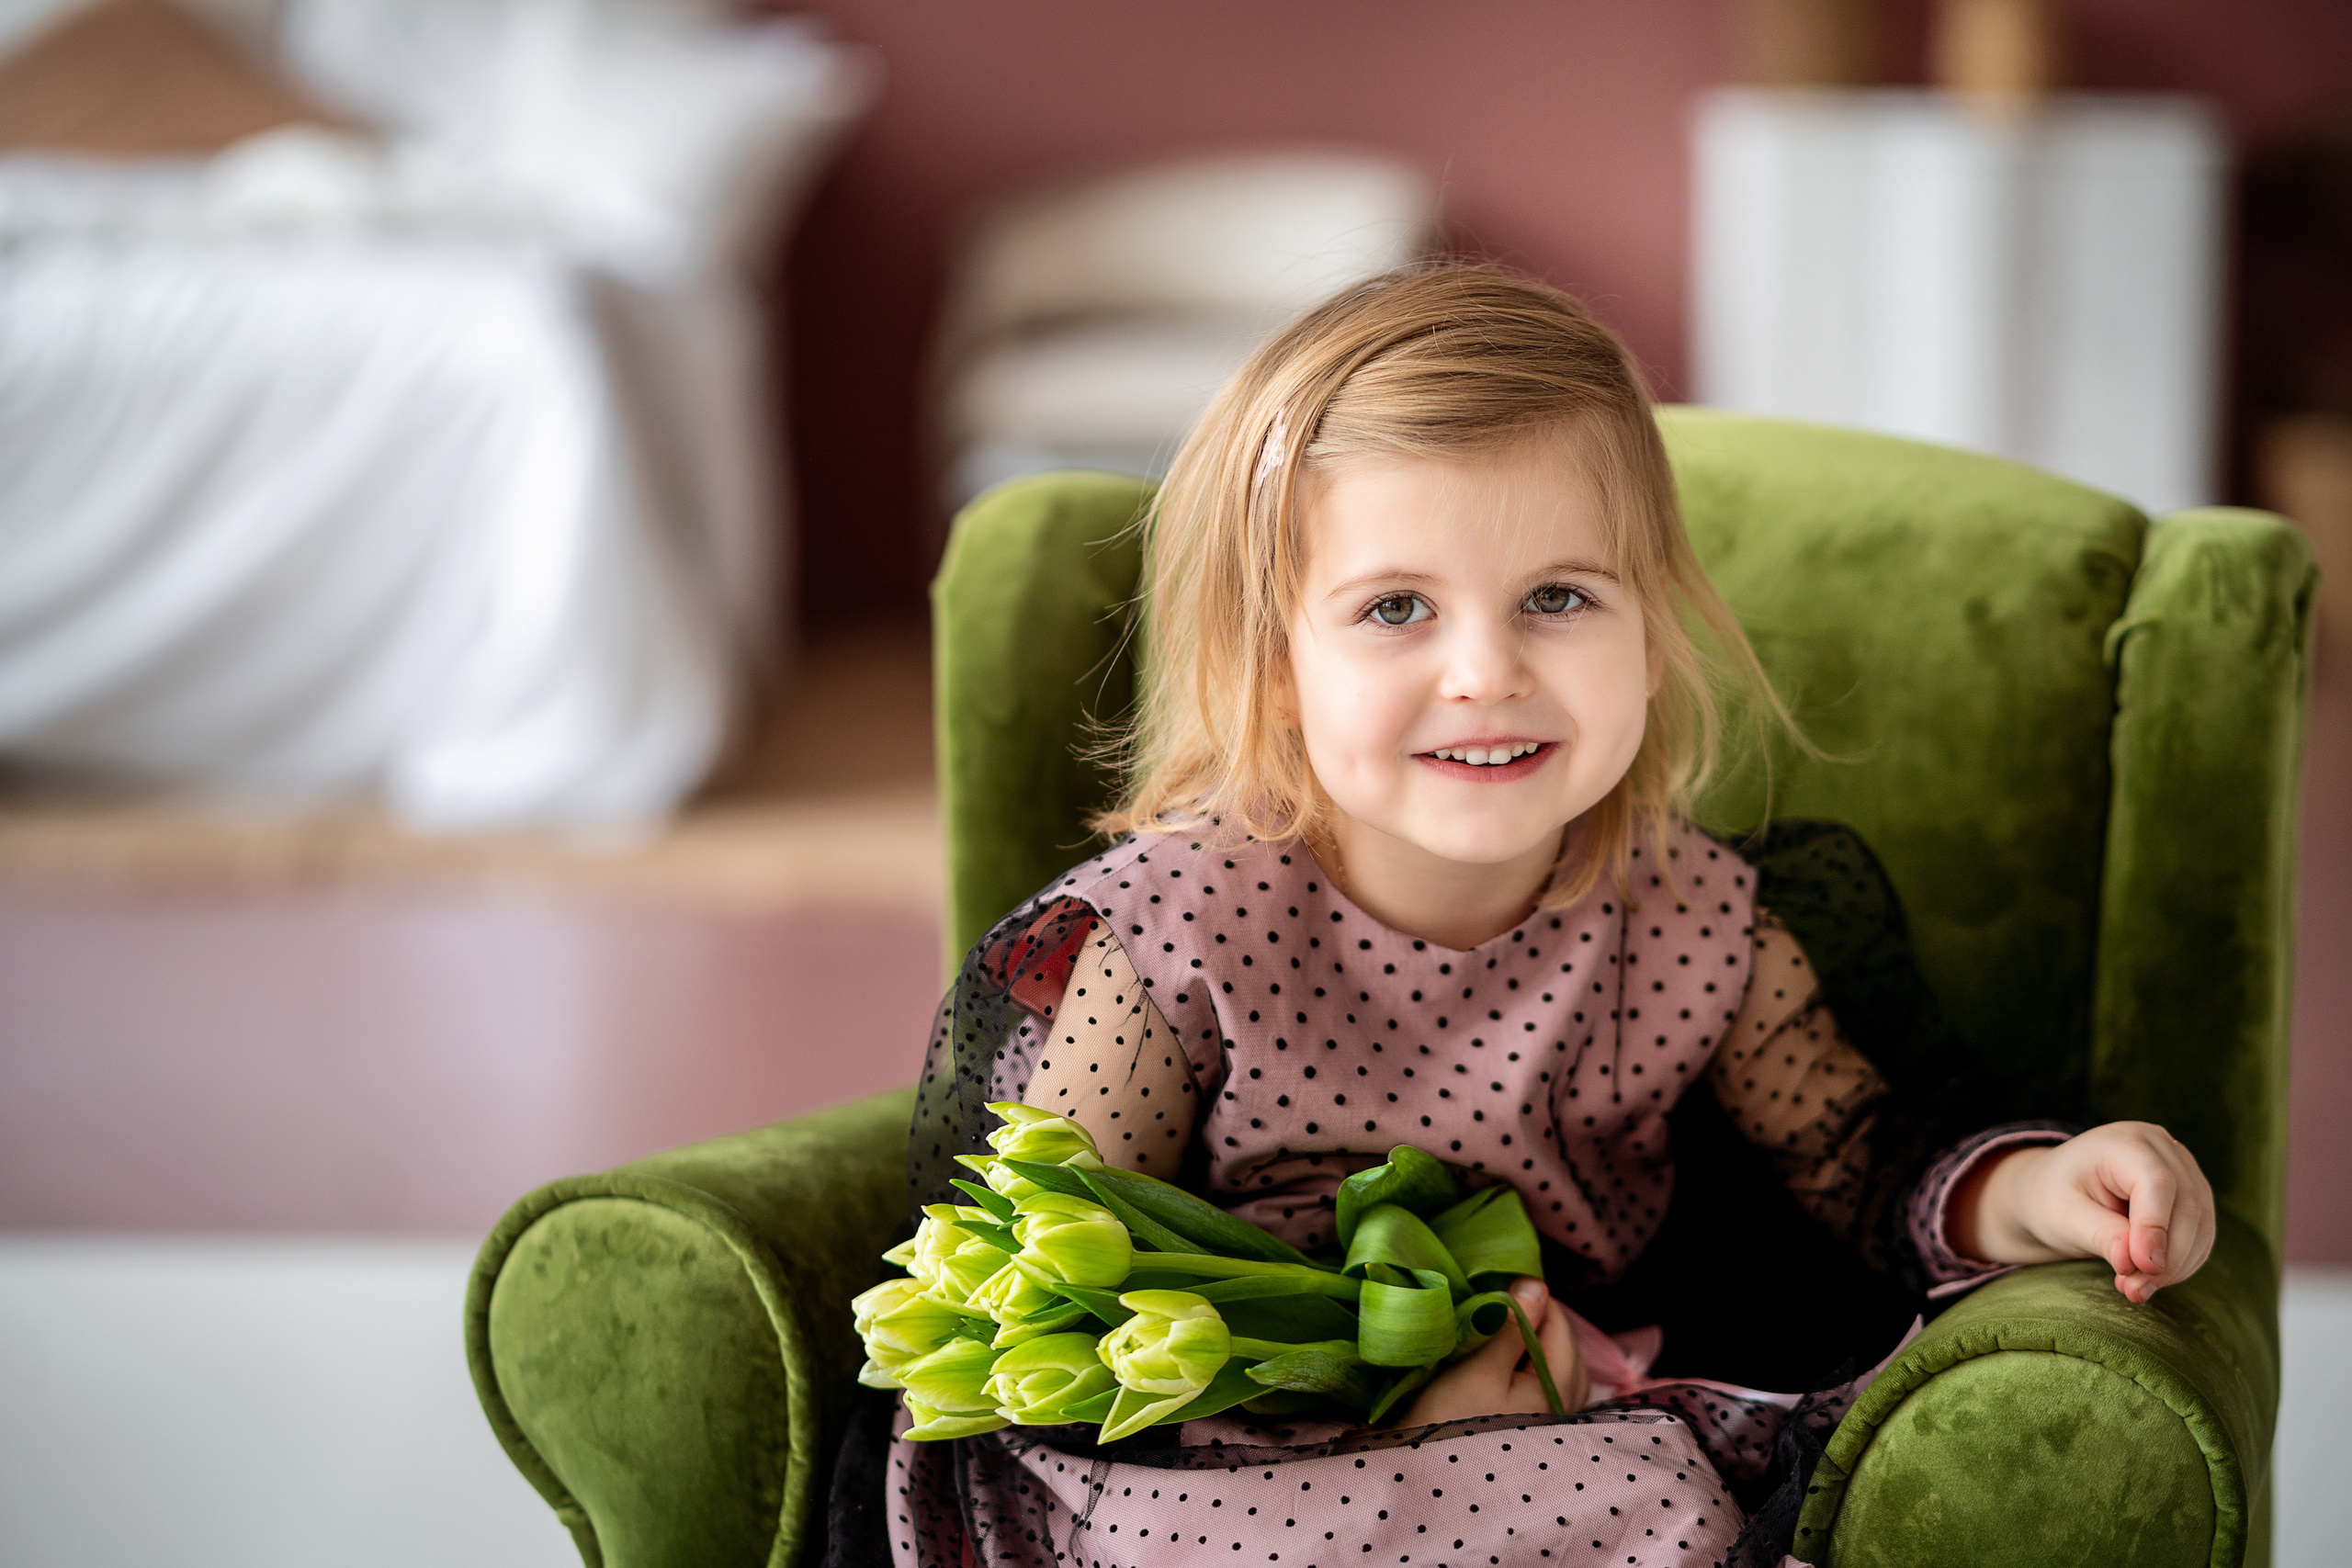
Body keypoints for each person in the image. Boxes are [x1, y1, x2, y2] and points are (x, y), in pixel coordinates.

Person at [866, 264, 2216, 1568]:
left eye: (1558, 599)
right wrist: (1377, 1423)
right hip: (1196, 1459)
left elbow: (1862, 1159)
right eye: (1395, 608)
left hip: (1560, 1435)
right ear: (1277, 670)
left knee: (1653, 1493)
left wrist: (2043, 1190)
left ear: (1654, 627)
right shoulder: (1169, 942)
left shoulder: (1691, 919)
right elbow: (1037, 1294)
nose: (1486, 673)